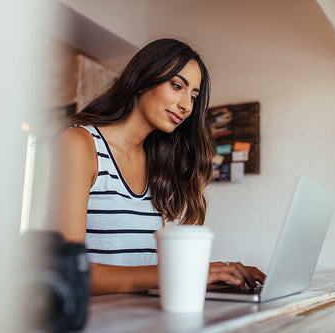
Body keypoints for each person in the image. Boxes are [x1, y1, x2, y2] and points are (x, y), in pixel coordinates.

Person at [48, 38, 265, 295]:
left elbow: (143, 268)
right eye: (177, 86)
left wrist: (208, 275)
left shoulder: (156, 164)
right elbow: (66, 271)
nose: (186, 106)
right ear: (143, 79)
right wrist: (185, 272)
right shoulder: (80, 144)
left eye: (193, 97)